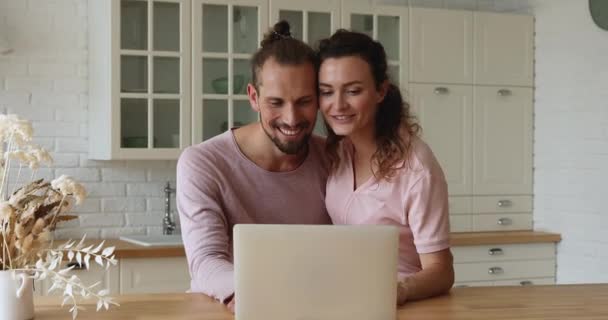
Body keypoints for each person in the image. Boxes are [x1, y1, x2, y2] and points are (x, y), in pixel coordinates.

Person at [176, 21, 331, 312]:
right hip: (234, 308)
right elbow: (206, 261)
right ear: (253, 97)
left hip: (313, 308)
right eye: (276, 102)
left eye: (304, 102)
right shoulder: (203, 162)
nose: (291, 118)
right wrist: (253, 291)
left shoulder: (332, 157)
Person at [316, 30, 454, 305]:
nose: (338, 105)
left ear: (381, 91)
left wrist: (396, 291)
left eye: (353, 91)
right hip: (346, 300)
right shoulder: (339, 152)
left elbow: (441, 272)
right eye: (327, 92)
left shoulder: (416, 169)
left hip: (400, 306)